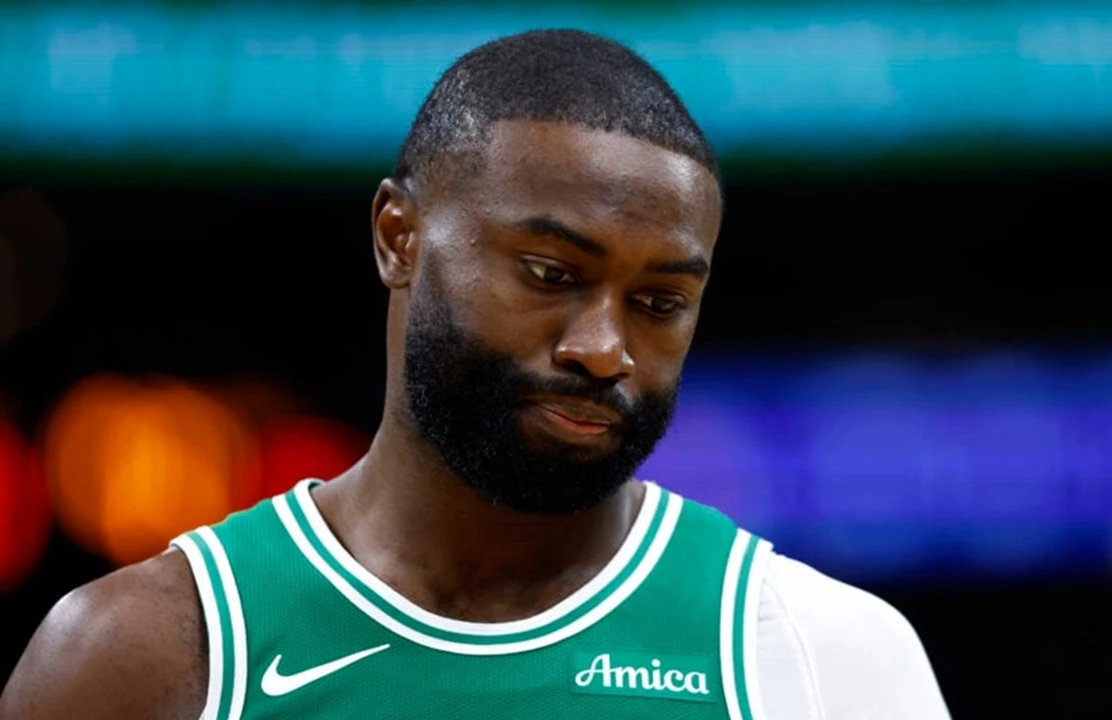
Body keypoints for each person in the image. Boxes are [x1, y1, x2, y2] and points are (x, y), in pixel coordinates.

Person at [0, 29, 950, 719]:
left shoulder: (825, 659)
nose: (603, 349)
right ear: (397, 238)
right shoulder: (144, 656)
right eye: (551, 274)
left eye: (660, 301)